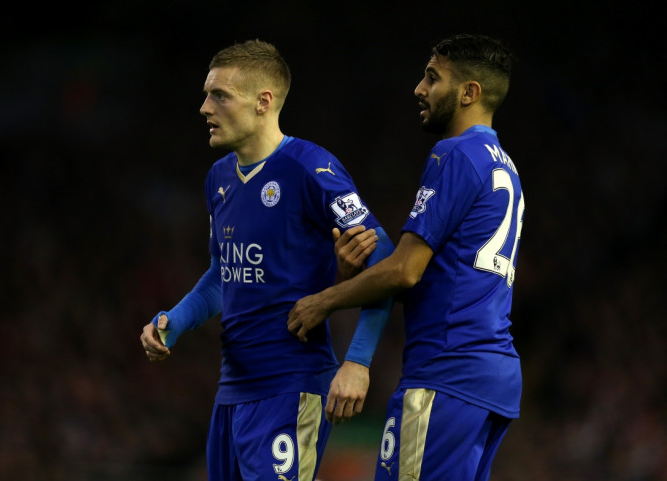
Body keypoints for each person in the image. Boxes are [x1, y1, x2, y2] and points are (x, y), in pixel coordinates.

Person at [139, 39, 394, 481]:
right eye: (206, 94)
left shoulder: (310, 167)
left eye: (219, 95)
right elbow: (224, 274)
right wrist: (173, 322)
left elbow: (384, 257)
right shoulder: (219, 178)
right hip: (231, 394)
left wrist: (357, 361)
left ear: (263, 102)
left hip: (292, 387)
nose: (204, 107)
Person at [288, 34, 524, 481]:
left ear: (469, 92)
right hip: (492, 377)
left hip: (447, 371)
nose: (419, 88)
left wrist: (325, 300)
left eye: (433, 78)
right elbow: (442, 277)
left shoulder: (455, 153)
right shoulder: (505, 166)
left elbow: (405, 271)